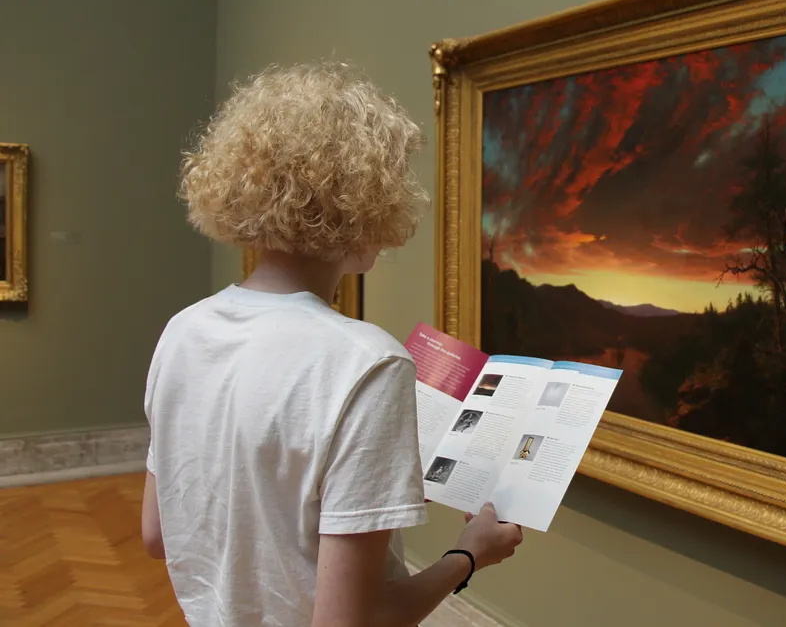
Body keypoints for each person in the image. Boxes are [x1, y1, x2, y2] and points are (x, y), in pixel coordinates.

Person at [141, 62, 523, 627]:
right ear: (364, 199)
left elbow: (156, 533)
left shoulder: (183, 330)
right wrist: (469, 554)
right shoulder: (366, 361)